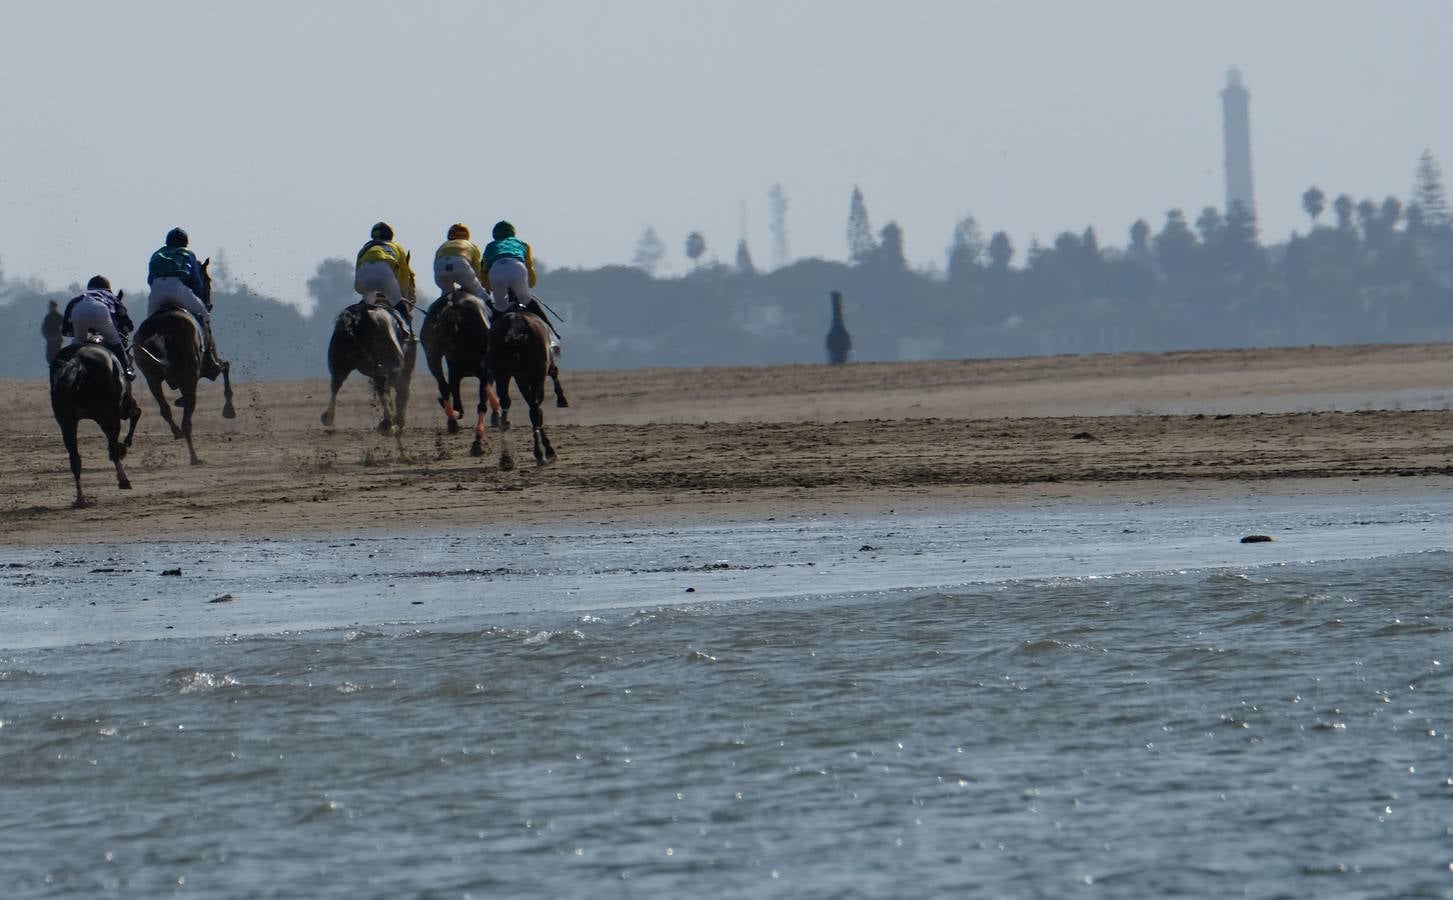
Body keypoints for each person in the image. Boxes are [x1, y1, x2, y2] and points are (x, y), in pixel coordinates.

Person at [148, 227, 223, 378]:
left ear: (167, 242)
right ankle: (209, 358)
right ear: (185, 243)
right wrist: (197, 298)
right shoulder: (188, 254)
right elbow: (196, 280)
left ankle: (152, 355)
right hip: (178, 288)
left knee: (150, 327)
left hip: (156, 291)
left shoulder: (157, 254)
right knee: (204, 316)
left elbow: (150, 279)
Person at [483, 220, 560, 354]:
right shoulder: (523, 244)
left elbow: (484, 272)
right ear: (513, 233)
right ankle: (552, 333)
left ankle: (488, 344)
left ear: (495, 235)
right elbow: (529, 268)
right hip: (517, 268)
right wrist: (527, 286)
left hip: (496, 271)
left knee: (499, 307)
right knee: (526, 300)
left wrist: (490, 288)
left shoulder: (490, 246)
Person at [61, 276, 135, 378]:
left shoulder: (78, 298)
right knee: (114, 340)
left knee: (78, 341)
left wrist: (82, 333)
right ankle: (126, 370)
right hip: (100, 310)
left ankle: (65, 369)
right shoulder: (110, 296)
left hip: (79, 310)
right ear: (108, 288)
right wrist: (122, 329)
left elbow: (66, 331)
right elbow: (127, 325)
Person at [355, 221, 417, 338]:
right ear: (390, 235)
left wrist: (364, 291)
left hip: (364, 277)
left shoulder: (364, 249)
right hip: (385, 274)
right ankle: (408, 333)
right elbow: (404, 275)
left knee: (366, 305)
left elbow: (358, 272)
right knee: (399, 304)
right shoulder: (396, 247)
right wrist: (400, 294)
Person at [433, 223, 487, 300]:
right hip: (461, 265)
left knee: (445, 296)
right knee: (481, 293)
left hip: (440, 269)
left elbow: (435, 267)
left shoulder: (442, 246)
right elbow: (477, 270)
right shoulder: (471, 246)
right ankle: (495, 311)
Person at [41, 299, 64, 365]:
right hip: (51, 340)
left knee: (57, 355)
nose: (50, 308)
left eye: (51, 307)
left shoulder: (59, 317)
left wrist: (57, 335)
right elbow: (44, 328)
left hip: (56, 340)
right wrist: (47, 336)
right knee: (50, 356)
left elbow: (64, 327)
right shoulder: (48, 317)